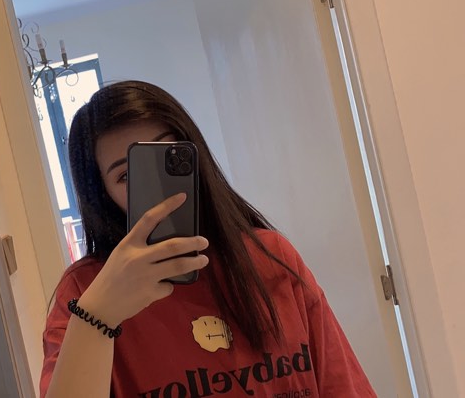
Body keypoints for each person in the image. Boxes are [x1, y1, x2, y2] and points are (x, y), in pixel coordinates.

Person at [40, 80, 375, 397]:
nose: (157, 185)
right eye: (126, 175)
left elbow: (342, 386)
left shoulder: (270, 255)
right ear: (103, 196)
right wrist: (98, 315)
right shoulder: (86, 291)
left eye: (171, 156)